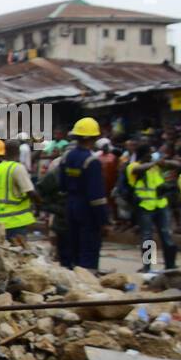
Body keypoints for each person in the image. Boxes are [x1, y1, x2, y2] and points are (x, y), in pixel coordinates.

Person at [59, 116, 110, 271]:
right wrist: (103, 221)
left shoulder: (66, 157)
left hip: (70, 206)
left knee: (73, 245)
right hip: (87, 210)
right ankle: (87, 282)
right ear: (94, 138)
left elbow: (61, 186)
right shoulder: (91, 161)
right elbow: (97, 197)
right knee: (89, 249)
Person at [126, 142, 179, 271]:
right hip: (145, 206)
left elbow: (178, 165)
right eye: (150, 152)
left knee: (166, 235)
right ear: (144, 154)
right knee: (148, 237)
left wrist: (165, 162)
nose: (152, 155)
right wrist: (155, 163)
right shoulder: (133, 166)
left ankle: (170, 265)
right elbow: (136, 170)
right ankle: (148, 266)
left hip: (161, 205)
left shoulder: (156, 167)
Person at [0, 137, 36, 245]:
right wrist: (41, 202)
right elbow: (30, 192)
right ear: (18, 151)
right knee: (19, 257)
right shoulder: (17, 168)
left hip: (1, 220)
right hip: (17, 221)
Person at [36, 144, 73, 268]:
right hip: (62, 221)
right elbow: (40, 191)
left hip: (79, 222)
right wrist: (54, 208)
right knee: (65, 258)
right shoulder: (57, 170)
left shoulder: (85, 168)